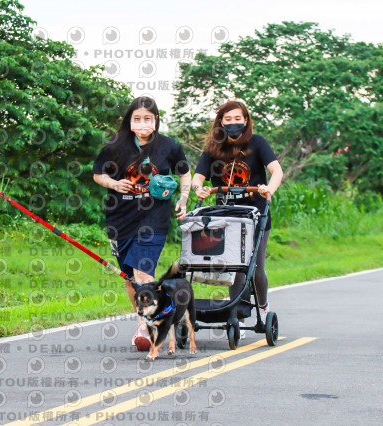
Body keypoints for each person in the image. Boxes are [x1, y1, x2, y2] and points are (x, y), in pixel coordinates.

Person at [93, 96, 191, 351]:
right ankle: (147, 319)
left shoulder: (169, 146)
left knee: (143, 272)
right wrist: (114, 184)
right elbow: (98, 174)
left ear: (156, 120)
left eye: (148, 118)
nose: (142, 122)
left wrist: (183, 198)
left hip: (154, 219)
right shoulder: (115, 146)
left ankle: (143, 327)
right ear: (129, 120)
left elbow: (184, 173)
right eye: (137, 118)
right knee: (130, 278)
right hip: (120, 219)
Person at [192, 100, 283, 334]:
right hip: (226, 217)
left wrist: (269, 189)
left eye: (237, 119)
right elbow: (198, 177)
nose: (233, 123)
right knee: (233, 266)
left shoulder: (257, 143)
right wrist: (198, 189)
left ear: (245, 120)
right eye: (228, 119)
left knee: (255, 267)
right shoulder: (214, 148)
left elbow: (276, 170)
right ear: (221, 122)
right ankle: (237, 315)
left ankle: (263, 307)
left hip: (256, 214)